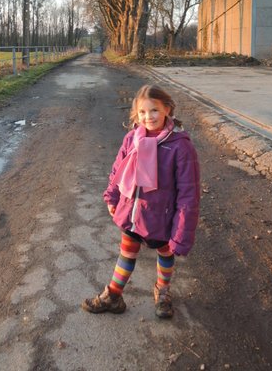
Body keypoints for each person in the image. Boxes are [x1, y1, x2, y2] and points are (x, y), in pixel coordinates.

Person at [82, 84, 200, 318]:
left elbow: (189, 193)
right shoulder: (132, 139)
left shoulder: (180, 146)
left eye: (154, 110)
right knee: (126, 253)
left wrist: (181, 232)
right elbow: (118, 170)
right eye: (143, 112)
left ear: (167, 108)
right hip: (132, 212)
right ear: (137, 114)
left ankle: (163, 292)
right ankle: (114, 295)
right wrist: (112, 196)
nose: (149, 117)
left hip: (161, 218)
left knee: (165, 255)